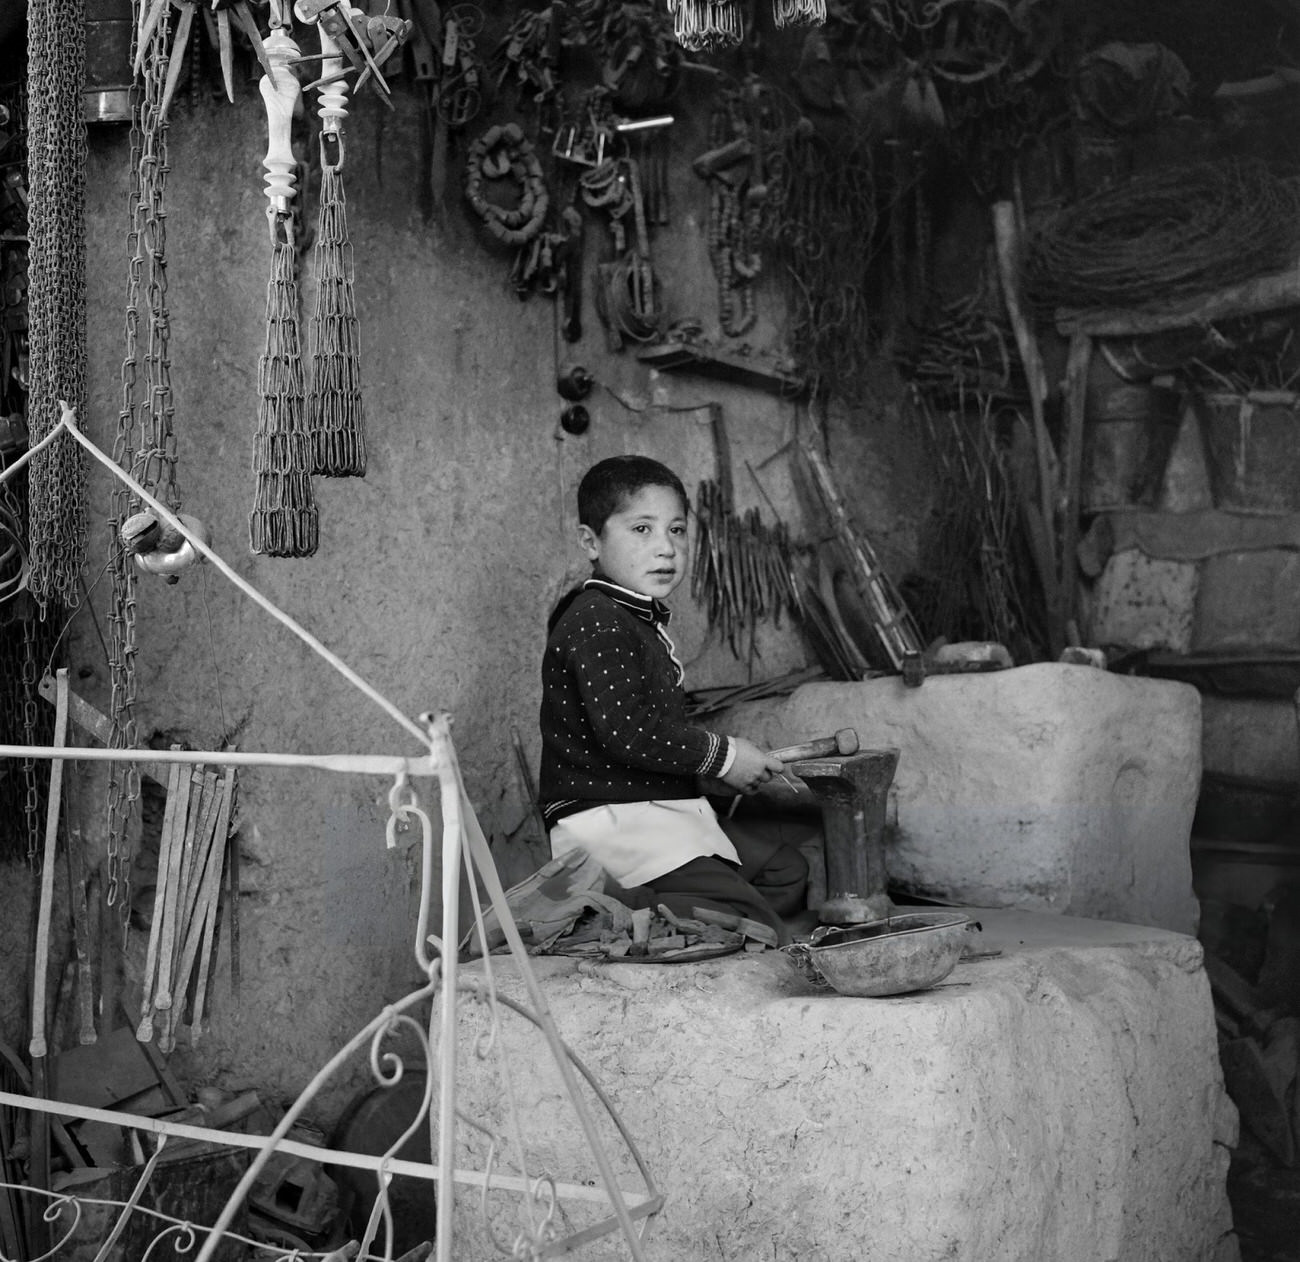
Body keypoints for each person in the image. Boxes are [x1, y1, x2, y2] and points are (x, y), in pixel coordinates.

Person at [538, 454, 808, 943]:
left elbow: (652, 738)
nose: (665, 548)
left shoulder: (633, 617)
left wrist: (715, 773)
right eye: (642, 529)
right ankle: (617, 909)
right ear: (590, 542)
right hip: (612, 822)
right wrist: (722, 757)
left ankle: (671, 908)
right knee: (754, 923)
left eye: (677, 530)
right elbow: (629, 733)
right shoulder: (595, 619)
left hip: (657, 810)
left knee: (784, 871)